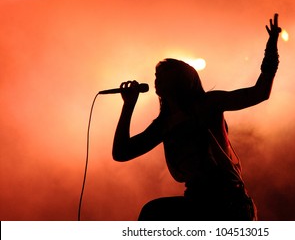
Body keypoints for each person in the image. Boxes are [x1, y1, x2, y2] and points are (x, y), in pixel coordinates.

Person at [112, 13, 282, 220]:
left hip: (227, 199)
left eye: (162, 75)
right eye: (156, 75)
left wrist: (271, 48)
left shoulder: (207, 104)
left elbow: (260, 92)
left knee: (153, 213)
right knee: (152, 212)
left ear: (180, 79)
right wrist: (128, 106)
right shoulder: (164, 124)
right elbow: (121, 153)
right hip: (197, 199)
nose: (156, 80)